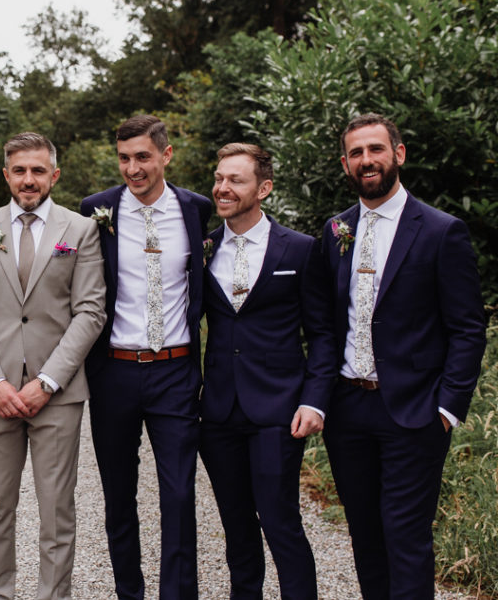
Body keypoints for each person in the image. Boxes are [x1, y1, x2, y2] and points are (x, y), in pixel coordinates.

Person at [321, 113, 486, 600]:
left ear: (399, 153)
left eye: (375, 149)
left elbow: (467, 327)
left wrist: (446, 408)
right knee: (365, 536)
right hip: (348, 410)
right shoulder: (334, 231)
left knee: (406, 537)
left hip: (414, 412)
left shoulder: (440, 231)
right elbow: (329, 320)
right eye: (356, 153)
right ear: (346, 163)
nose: (366, 161)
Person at [0, 132, 106, 600]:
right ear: (6, 174)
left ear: (54, 175)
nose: (28, 179)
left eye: (38, 170)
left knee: (57, 510)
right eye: (19, 170)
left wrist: (48, 380)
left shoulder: (79, 230)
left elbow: (90, 311)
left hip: (57, 395)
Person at [80, 114, 211, 600]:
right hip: (113, 370)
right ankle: (128, 592)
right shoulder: (96, 211)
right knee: (119, 494)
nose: (132, 169)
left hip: (175, 370)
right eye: (124, 158)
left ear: (166, 155)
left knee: (179, 493)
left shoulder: (197, 210)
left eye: (142, 157)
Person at [199, 143, 335, 600]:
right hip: (218, 411)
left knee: (280, 520)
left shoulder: (299, 249)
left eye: (235, 180)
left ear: (265, 188)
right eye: (219, 178)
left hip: (278, 409)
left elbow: (323, 334)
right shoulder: (204, 246)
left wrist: (314, 399)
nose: (222, 188)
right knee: (236, 526)